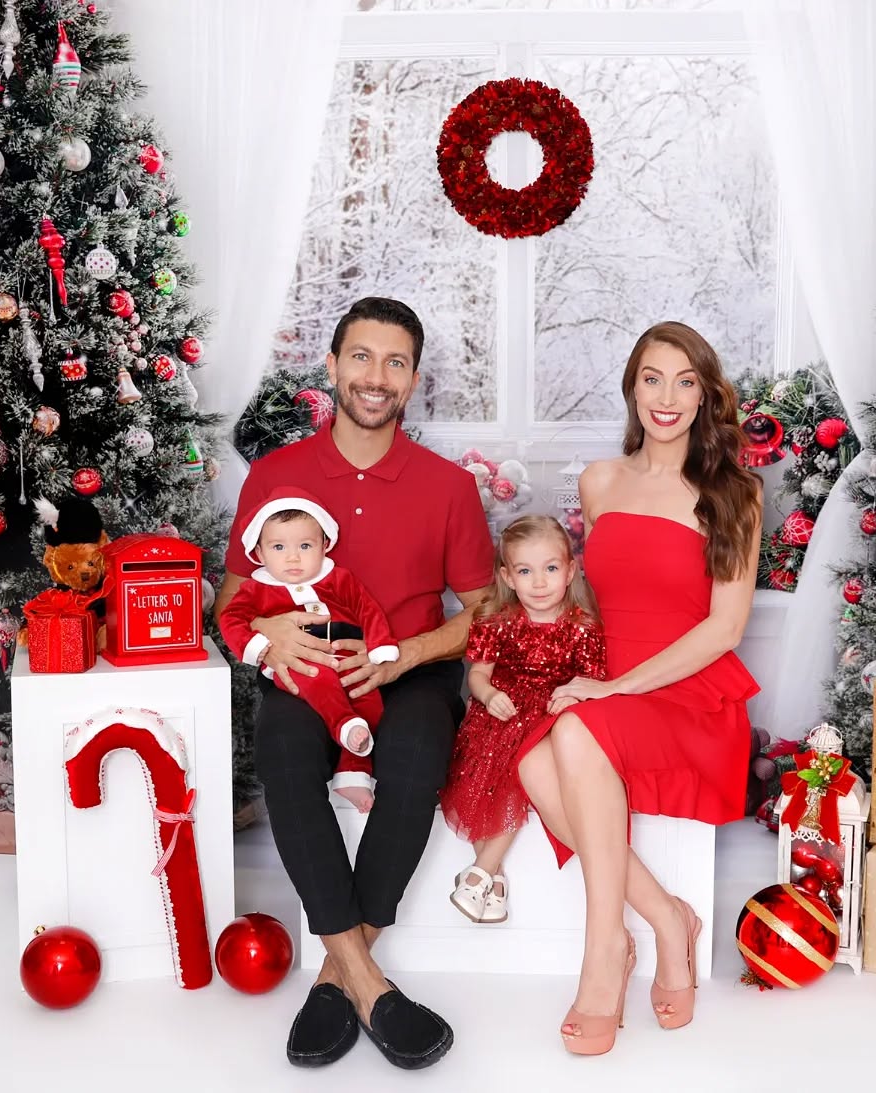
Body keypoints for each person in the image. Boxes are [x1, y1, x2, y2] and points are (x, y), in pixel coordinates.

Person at [214, 298, 493, 1071]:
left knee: (414, 762)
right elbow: (229, 597)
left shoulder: (448, 487)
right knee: (281, 755)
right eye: (362, 357)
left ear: (412, 378)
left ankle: (336, 978)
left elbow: (483, 613)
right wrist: (267, 630)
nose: (377, 376)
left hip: (410, 668)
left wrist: (403, 656)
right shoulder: (276, 475)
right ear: (332, 366)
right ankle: (372, 984)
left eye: (395, 361)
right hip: (308, 670)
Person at [515, 321, 762, 1056]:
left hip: (689, 687)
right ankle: (665, 917)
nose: (667, 397)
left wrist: (612, 688)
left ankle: (602, 960)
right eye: (652, 377)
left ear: (705, 395)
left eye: (686, 381)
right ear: (631, 386)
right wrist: (567, 672)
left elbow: (723, 630)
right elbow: (593, 597)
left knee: (569, 734)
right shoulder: (599, 481)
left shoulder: (732, 494)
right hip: (610, 682)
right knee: (531, 760)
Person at [438, 515, 605, 924]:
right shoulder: (498, 620)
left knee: (518, 769)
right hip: (499, 712)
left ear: (570, 570)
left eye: (551, 568)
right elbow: (477, 674)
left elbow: (591, 682)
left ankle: (481, 872)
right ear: (508, 577)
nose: (540, 582)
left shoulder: (581, 627)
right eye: (526, 571)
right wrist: (489, 693)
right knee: (481, 770)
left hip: (545, 718)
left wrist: (569, 697)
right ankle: (492, 878)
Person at [218, 488, 400, 811]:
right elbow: (232, 619)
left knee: (370, 700)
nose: (293, 557)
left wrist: (380, 645)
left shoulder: (339, 579)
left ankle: (353, 772)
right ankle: (342, 721)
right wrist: (258, 646)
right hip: (296, 662)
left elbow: (367, 608)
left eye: (305, 546)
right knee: (318, 679)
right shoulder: (257, 588)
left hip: (344, 654)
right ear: (259, 554)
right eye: (278, 547)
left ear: (324, 545)